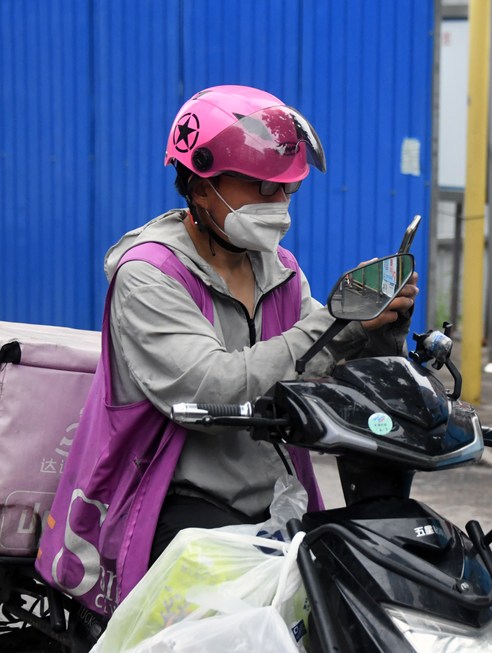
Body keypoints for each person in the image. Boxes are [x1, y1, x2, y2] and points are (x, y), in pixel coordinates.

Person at [35, 85, 417, 615]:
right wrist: (335, 324)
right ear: (200, 184)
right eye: (263, 187)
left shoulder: (278, 268)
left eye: (287, 192)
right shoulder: (149, 275)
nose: (279, 206)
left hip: (269, 494)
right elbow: (210, 388)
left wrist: (376, 331)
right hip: (173, 499)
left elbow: (317, 368)